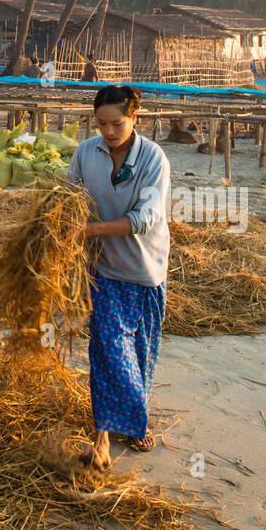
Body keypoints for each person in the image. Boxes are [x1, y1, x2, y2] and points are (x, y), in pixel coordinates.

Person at [66, 84, 170, 471]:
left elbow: (146, 218)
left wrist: (90, 230)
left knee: (138, 354)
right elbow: (68, 194)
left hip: (144, 271)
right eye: (101, 124)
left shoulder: (153, 159)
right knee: (107, 352)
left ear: (135, 118)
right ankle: (102, 439)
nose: (108, 132)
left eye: (117, 124)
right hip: (104, 270)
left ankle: (135, 418)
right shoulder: (86, 153)